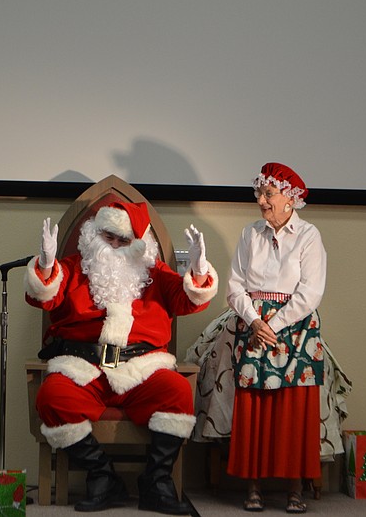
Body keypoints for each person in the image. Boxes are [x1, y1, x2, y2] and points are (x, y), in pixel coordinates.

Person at [25, 201, 218, 514]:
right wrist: (46, 266)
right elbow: (43, 297)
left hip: (141, 369)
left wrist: (197, 270)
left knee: (178, 391)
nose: (113, 246)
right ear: (94, 234)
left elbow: (188, 301)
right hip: (83, 368)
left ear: (139, 243)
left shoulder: (155, 273)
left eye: (122, 240)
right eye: (107, 237)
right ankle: (102, 476)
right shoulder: (74, 267)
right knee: (52, 395)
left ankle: (156, 483)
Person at [207, 163, 326, 514]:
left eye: (268, 194)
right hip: (255, 326)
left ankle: (294, 488)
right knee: (254, 406)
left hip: (297, 328)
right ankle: (253, 486)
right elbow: (235, 286)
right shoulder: (250, 234)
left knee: (293, 406)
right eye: (259, 193)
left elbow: (311, 291)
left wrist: (277, 323)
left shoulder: (309, 236)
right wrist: (256, 322)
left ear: (290, 199)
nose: (261, 200)